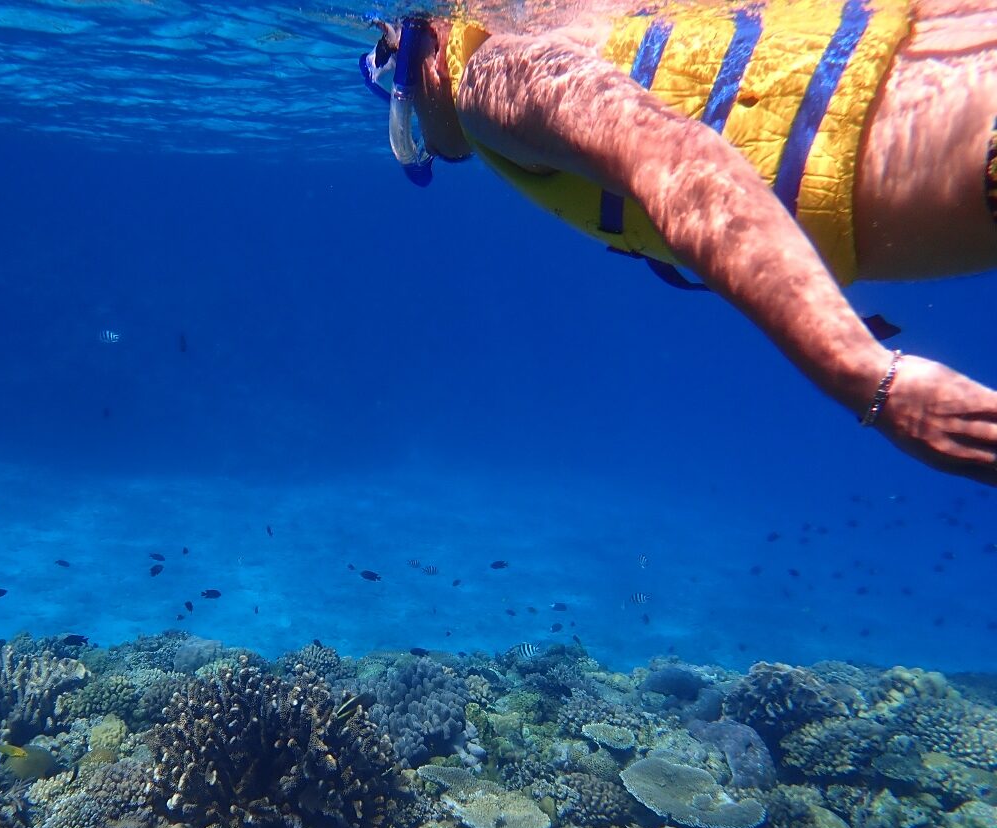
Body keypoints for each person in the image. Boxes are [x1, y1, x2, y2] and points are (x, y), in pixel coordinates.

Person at [360, 1, 997, 485]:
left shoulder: (493, 78)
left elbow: (685, 164)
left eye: (403, 86)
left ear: (432, 45)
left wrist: (869, 379)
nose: (411, 110)